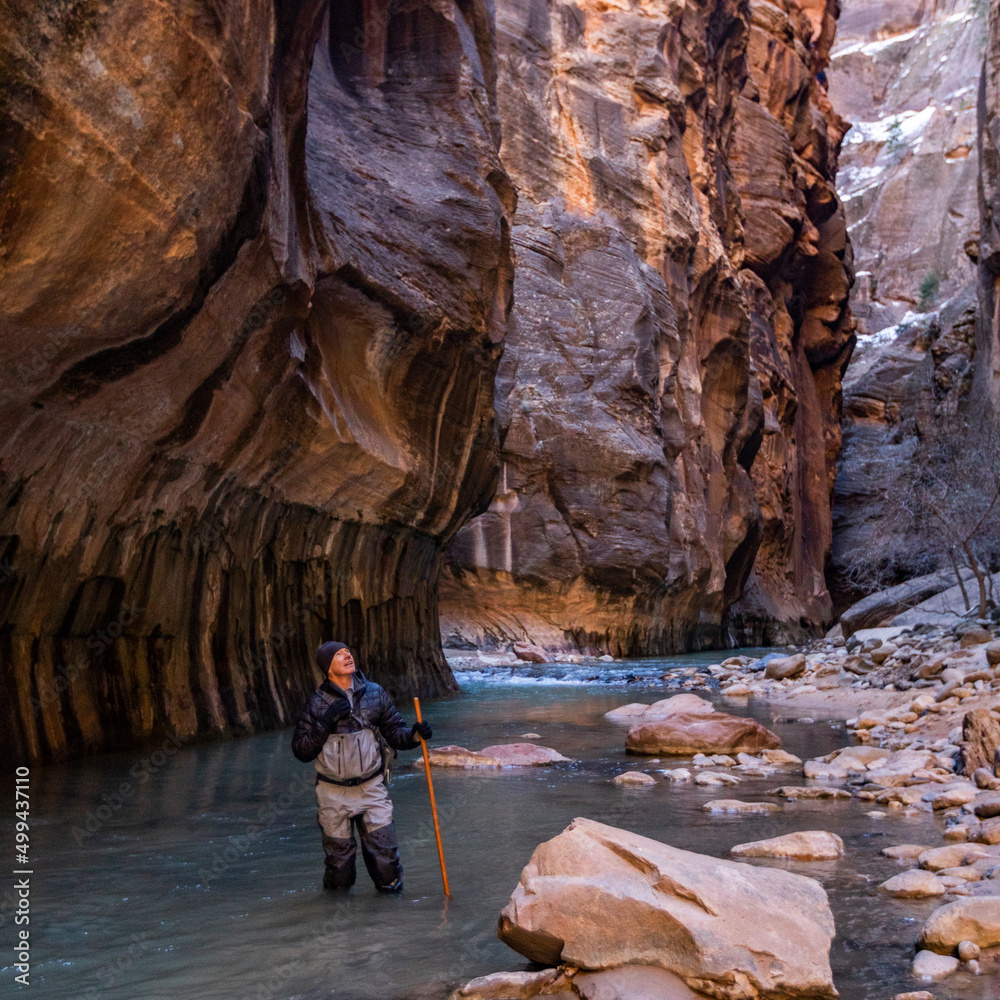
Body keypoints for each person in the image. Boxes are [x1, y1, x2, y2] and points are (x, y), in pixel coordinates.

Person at [291, 640, 432, 892]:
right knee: (339, 871)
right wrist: (326, 720)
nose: (347, 655)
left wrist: (414, 735)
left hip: (371, 788)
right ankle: (341, 920)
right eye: (338, 654)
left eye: (348, 651)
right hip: (333, 794)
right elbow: (301, 750)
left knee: (386, 866)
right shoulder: (317, 702)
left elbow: (395, 732)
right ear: (327, 667)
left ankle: (388, 918)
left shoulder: (374, 693)